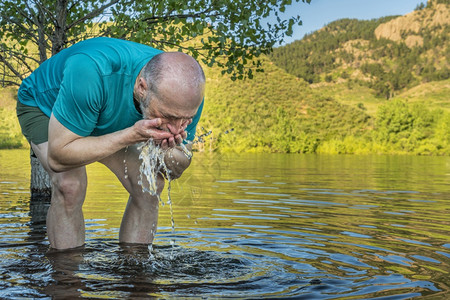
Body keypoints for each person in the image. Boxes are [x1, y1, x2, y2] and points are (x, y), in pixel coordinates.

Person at [16, 37, 205, 250]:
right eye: (168, 116)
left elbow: (176, 168)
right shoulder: (90, 70)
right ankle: (65, 279)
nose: (176, 125)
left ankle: (135, 273)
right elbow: (59, 157)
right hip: (44, 106)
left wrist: (167, 151)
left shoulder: (185, 100)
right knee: (70, 186)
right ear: (142, 87)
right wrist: (131, 135)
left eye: (184, 118)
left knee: (151, 187)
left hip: (104, 113)